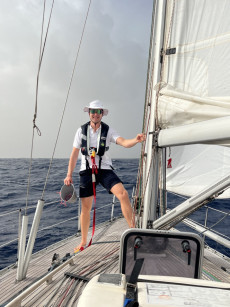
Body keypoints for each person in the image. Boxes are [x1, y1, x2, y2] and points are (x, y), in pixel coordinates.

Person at [64, 100, 146, 251]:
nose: (95, 114)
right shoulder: (81, 131)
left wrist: (136, 140)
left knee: (123, 194)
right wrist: (69, 174)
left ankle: (133, 232)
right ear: (89, 113)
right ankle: (83, 241)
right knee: (86, 208)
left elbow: (123, 142)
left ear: (102, 114)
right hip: (86, 170)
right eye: (93, 111)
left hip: (104, 169)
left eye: (98, 111)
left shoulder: (108, 130)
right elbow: (75, 153)